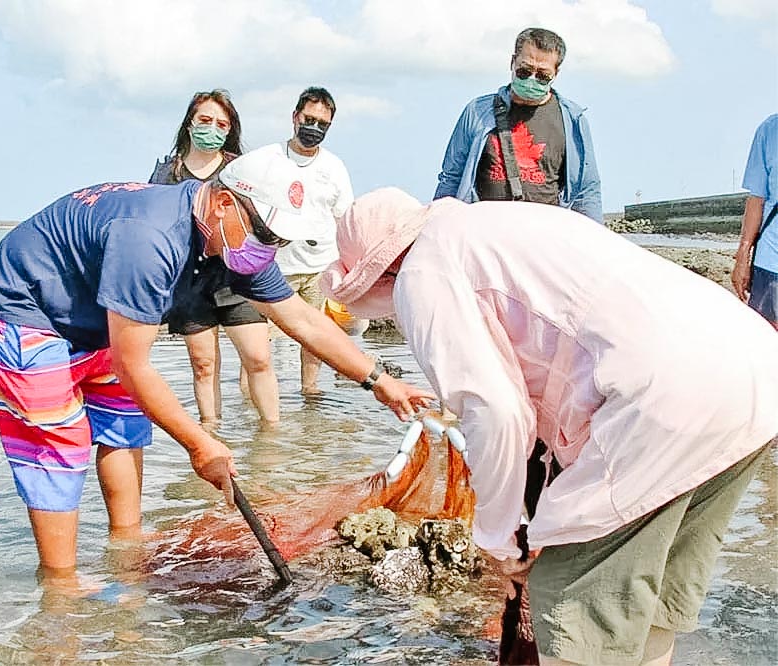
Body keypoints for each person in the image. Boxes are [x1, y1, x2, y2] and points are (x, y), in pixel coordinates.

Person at [321, 188, 778, 666]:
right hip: (751, 370)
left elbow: (495, 413)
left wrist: (498, 541)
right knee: (643, 607)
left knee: (573, 603)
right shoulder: (499, 223)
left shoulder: (422, 270)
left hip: (661, 398)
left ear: (382, 273)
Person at [0, 147, 433, 579]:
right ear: (225, 204)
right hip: (22, 305)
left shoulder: (237, 242)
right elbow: (135, 368)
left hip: (98, 313)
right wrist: (199, 443)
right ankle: (60, 581)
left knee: (125, 423)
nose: (270, 249)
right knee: (58, 440)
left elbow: (300, 319)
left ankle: (126, 545)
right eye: (268, 234)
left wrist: (378, 380)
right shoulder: (151, 240)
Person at [150, 90, 280, 425]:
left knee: (258, 358)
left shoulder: (240, 171)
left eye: (221, 123)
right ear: (190, 123)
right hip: (191, 284)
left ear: (230, 129)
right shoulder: (167, 174)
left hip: (238, 278)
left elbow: (263, 221)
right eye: (205, 121)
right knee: (203, 365)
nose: (213, 128)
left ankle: (273, 439)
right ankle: (211, 435)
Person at [433, 27, 602, 222]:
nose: (531, 79)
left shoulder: (573, 120)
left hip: (544, 233)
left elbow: (587, 189)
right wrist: (435, 226)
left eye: (542, 76)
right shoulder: (477, 111)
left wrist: (596, 243)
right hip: (484, 229)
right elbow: (451, 176)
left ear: (556, 73)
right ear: (512, 62)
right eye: (524, 71)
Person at [266, 86, 354, 394]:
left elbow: (346, 219)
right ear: (295, 117)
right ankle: (253, 407)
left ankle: (311, 397)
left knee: (315, 340)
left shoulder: (334, 167)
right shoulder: (270, 160)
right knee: (257, 347)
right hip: (275, 268)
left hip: (320, 267)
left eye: (322, 124)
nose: (313, 127)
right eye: (309, 119)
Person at [732, 113, 778, 329]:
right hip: (770, 266)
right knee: (766, 348)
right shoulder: (769, 130)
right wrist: (742, 258)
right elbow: (756, 199)